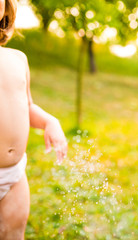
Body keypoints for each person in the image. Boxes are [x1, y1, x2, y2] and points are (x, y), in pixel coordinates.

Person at [0, 0, 68, 239]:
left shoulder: (18, 59)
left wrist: (50, 121)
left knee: (14, 232)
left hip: (14, 174)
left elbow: (26, 105)